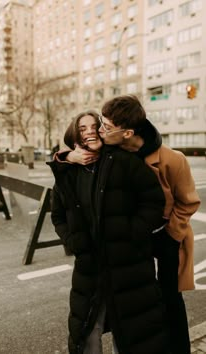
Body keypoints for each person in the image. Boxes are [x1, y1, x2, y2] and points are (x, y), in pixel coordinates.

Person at [61, 96, 201, 354]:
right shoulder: (115, 146)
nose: (100, 130)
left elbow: (188, 202)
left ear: (126, 133)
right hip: (134, 239)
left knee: (169, 300)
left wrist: (169, 235)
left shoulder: (172, 159)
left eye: (105, 127)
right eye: (101, 123)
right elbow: (76, 147)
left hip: (165, 235)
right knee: (141, 307)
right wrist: (68, 155)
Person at [48, 110, 171, 354]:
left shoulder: (123, 161)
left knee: (132, 333)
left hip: (129, 266)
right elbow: (58, 215)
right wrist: (73, 241)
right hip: (90, 268)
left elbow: (153, 202)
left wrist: (132, 234)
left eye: (94, 125)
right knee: (88, 331)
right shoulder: (68, 172)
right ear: (75, 135)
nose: (90, 130)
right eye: (83, 128)